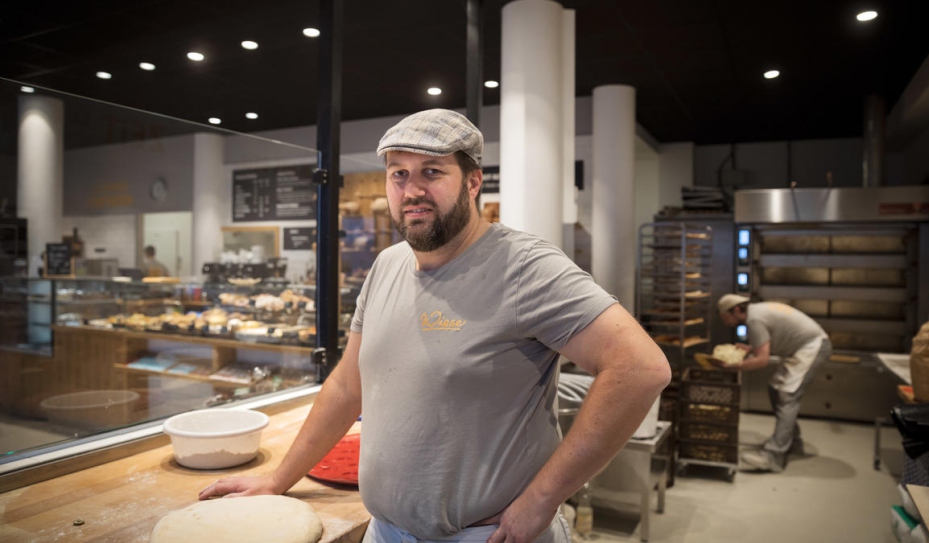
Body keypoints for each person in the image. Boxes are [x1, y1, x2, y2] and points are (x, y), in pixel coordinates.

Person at [199, 109, 671, 543]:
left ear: (472, 182)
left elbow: (640, 369)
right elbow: (347, 384)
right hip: (387, 532)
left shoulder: (525, 266)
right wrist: (279, 478)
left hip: (485, 536)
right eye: (398, 174)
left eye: (432, 172)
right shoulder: (386, 266)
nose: (412, 189)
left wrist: (543, 499)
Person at [715, 294, 831, 473]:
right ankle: (791, 442)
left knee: (786, 395)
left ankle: (774, 456)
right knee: (775, 389)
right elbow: (766, 346)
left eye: (726, 317)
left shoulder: (754, 320)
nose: (726, 323)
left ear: (736, 310)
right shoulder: (757, 313)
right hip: (800, 349)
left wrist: (735, 366)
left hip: (811, 347)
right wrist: (750, 349)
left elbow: (762, 360)